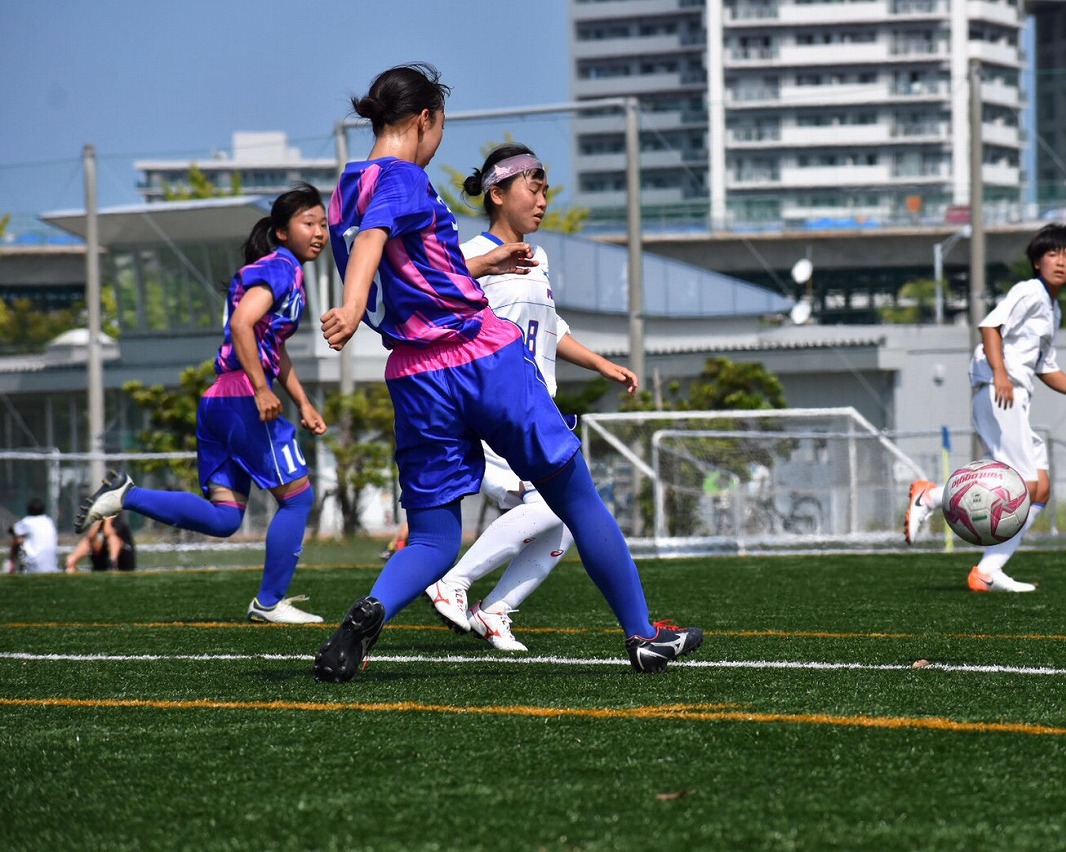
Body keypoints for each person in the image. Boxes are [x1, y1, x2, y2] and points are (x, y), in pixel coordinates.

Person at [314, 63, 701, 681]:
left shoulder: (341, 191)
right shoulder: (402, 178)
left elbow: (405, 261)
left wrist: (487, 264)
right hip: (480, 356)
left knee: (434, 538)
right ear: (424, 119)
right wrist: (354, 301)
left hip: (415, 374)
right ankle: (643, 635)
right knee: (577, 499)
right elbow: (375, 241)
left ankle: (367, 615)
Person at [75, 185, 330, 623]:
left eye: (323, 223)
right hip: (243, 400)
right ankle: (268, 603)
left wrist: (303, 402)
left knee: (225, 518)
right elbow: (242, 323)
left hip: (220, 400)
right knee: (298, 499)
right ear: (282, 232)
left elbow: (273, 344)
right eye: (309, 223)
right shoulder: (281, 268)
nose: (320, 232)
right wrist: (261, 388)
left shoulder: (281, 271)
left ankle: (128, 496)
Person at [424, 143, 638, 652]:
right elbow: (441, 310)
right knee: (557, 507)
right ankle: (451, 584)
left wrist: (603, 364)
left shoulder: (536, 257)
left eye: (544, 191)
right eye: (532, 189)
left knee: (566, 521)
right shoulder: (470, 257)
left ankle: (497, 611)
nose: (542, 201)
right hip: (500, 408)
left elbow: (552, 330)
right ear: (497, 194)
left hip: (538, 408)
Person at [904, 223, 1066, 592]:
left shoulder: (1053, 309)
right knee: (1025, 485)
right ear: (1037, 261)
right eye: (1053, 254)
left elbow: (1045, 367)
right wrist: (1000, 372)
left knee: (1042, 489)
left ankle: (988, 570)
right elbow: (990, 326)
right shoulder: (1030, 291)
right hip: (999, 391)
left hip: (1014, 395)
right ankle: (931, 496)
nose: (1061, 262)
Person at [66, 516, 136, 572]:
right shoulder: (100, 524)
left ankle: (113, 563)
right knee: (88, 541)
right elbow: (90, 537)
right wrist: (97, 521)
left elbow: (108, 533)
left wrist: (107, 519)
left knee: (113, 539)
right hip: (102, 558)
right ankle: (70, 561)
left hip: (122, 559)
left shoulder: (119, 523)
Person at [9, 498, 58, 574]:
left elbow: (13, 531)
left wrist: (11, 558)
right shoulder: (49, 521)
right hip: (52, 565)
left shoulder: (27, 521)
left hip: (35, 565)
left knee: (19, 539)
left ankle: (13, 563)